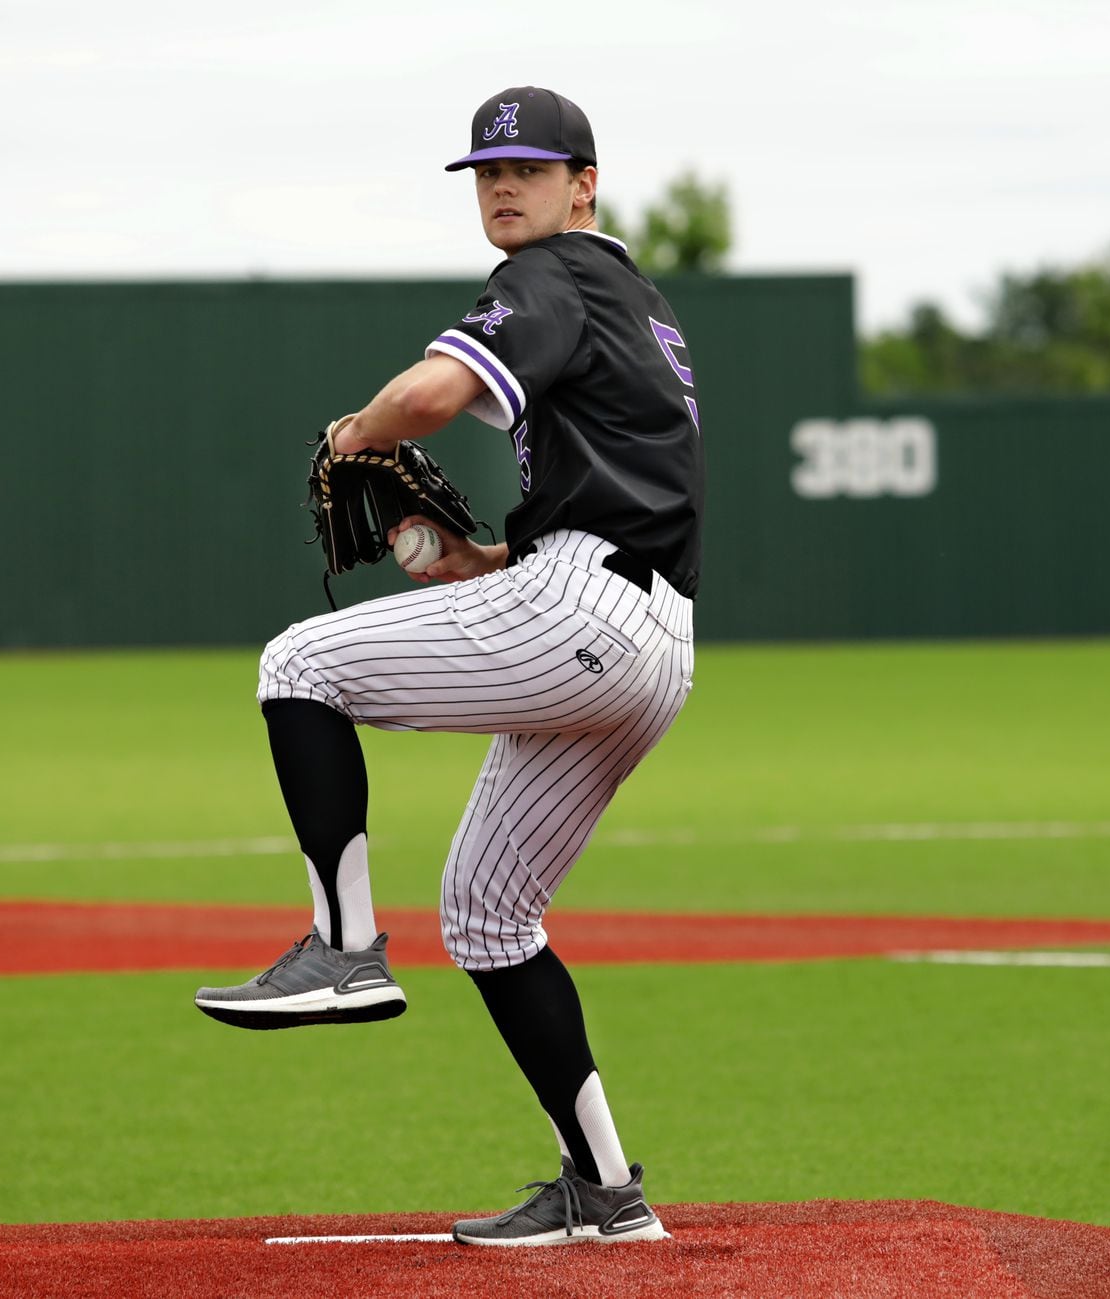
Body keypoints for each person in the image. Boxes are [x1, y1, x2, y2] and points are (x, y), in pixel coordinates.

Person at [193, 86, 703, 1247]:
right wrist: (487, 558)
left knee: (299, 664)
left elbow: (433, 395)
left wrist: (359, 432)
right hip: (650, 636)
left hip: (586, 610)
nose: (503, 187)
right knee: (488, 914)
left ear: (585, 182)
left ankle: (342, 950)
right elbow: (626, 476)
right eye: (486, 172)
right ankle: (605, 1192)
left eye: (529, 167)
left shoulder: (552, 274)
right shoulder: (636, 301)